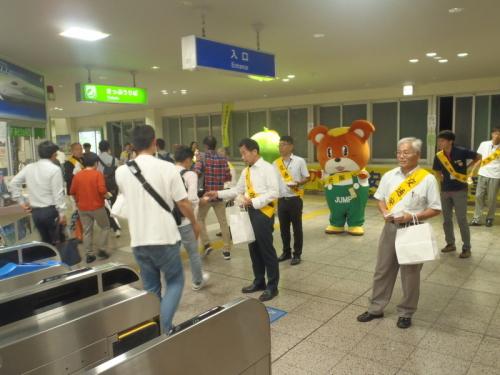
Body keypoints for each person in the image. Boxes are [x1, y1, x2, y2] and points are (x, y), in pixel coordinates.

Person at [115, 125, 200, 332]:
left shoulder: (121, 171)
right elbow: (183, 203)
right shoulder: (167, 168)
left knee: (151, 287)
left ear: (132, 146)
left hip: (138, 240)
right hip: (164, 238)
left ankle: (156, 328)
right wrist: (195, 224)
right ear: (154, 142)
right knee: (175, 281)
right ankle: (163, 328)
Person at [357, 137, 441, 329]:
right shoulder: (389, 176)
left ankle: (406, 312)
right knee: (382, 270)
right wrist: (384, 212)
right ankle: (375, 308)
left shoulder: (427, 179)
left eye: (406, 152)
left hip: (413, 229)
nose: (401, 156)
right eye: (399, 152)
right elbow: (380, 199)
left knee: (410, 275)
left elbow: (436, 209)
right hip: (391, 228)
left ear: (418, 155)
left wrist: (412, 217)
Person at [205, 138, 280, 302]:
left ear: (254, 152)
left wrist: (253, 201)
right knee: (253, 248)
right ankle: (259, 281)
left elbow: (274, 192)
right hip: (249, 212)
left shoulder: (268, 168)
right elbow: (237, 190)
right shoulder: (247, 171)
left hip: (263, 213)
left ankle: (272, 286)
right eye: (241, 154)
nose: (243, 157)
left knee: (266, 250)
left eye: (244, 153)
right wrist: (217, 194)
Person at [432, 130, 481, 258]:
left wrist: (469, 168)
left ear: (450, 141)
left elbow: (479, 156)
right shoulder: (439, 155)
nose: (439, 143)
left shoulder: (461, 151)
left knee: (461, 219)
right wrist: (440, 177)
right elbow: (436, 170)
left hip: (460, 190)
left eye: (442, 141)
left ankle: (466, 247)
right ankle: (450, 243)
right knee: (446, 220)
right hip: (445, 191)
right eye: (439, 141)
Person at [9, 141, 67, 244]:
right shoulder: (54, 169)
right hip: (51, 211)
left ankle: (48, 259)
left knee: (46, 242)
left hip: (36, 213)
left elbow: (13, 183)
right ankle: (58, 259)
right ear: (54, 154)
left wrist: (21, 202)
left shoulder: (29, 167)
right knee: (58, 241)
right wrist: (62, 213)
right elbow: (58, 194)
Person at [174, 145, 209, 290]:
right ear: (188, 160)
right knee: (193, 252)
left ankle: (173, 282)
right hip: (184, 220)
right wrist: (203, 201)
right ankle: (197, 281)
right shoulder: (190, 175)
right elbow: (192, 199)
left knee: (172, 253)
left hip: (168, 220)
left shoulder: (166, 172)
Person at [273, 136, 310, 266]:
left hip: (295, 199)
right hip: (281, 200)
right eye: (279, 145)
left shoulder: (299, 161)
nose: (280, 147)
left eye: (283, 144)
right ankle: (286, 252)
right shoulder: (275, 163)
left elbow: (307, 177)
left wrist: (299, 183)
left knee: (297, 228)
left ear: (291, 146)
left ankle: (297, 254)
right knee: (283, 229)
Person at [194, 136, 232, 260]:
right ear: (215, 145)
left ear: (205, 145)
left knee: (200, 219)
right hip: (219, 195)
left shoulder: (202, 157)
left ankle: (206, 244)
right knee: (223, 223)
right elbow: (228, 177)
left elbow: (196, 172)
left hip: (206, 196)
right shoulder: (223, 158)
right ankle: (226, 249)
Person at [70, 152, 111, 263]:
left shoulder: (78, 175)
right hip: (97, 206)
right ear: (96, 163)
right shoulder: (97, 174)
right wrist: (108, 196)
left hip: (82, 208)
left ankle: (89, 255)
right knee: (105, 227)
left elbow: (72, 192)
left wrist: (77, 201)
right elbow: (102, 190)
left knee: (87, 231)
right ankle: (102, 249)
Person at [470, 127, 500, 227]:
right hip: (482, 173)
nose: (497, 136)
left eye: (499, 134)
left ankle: (490, 218)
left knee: (491, 199)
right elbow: (479, 159)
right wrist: (473, 170)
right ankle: (476, 218)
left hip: (495, 175)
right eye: (495, 133)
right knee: (478, 196)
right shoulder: (484, 144)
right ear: (492, 134)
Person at [97, 140, 121, 237]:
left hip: (102, 186)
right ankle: (115, 225)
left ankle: (114, 226)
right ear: (108, 148)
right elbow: (118, 173)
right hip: (112, 186)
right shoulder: (114, 159)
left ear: (99, 148)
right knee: (112, 205)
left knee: (106, 206)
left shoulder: (96, 160)